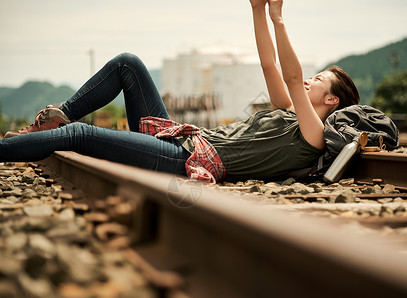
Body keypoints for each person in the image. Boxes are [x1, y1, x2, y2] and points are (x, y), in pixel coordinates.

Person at [1, 0, 359, 183]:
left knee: (78, 136)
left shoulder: (314, 136)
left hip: (185, 160)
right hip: (182, 139)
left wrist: (278, 17)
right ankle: (56, 118)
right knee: (128, 64)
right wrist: (257, 9)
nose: (309, 80)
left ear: (332, 100)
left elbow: (293, 79)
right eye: (312, 76)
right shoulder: (286, 111)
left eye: (320, 79)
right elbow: (270, 66)